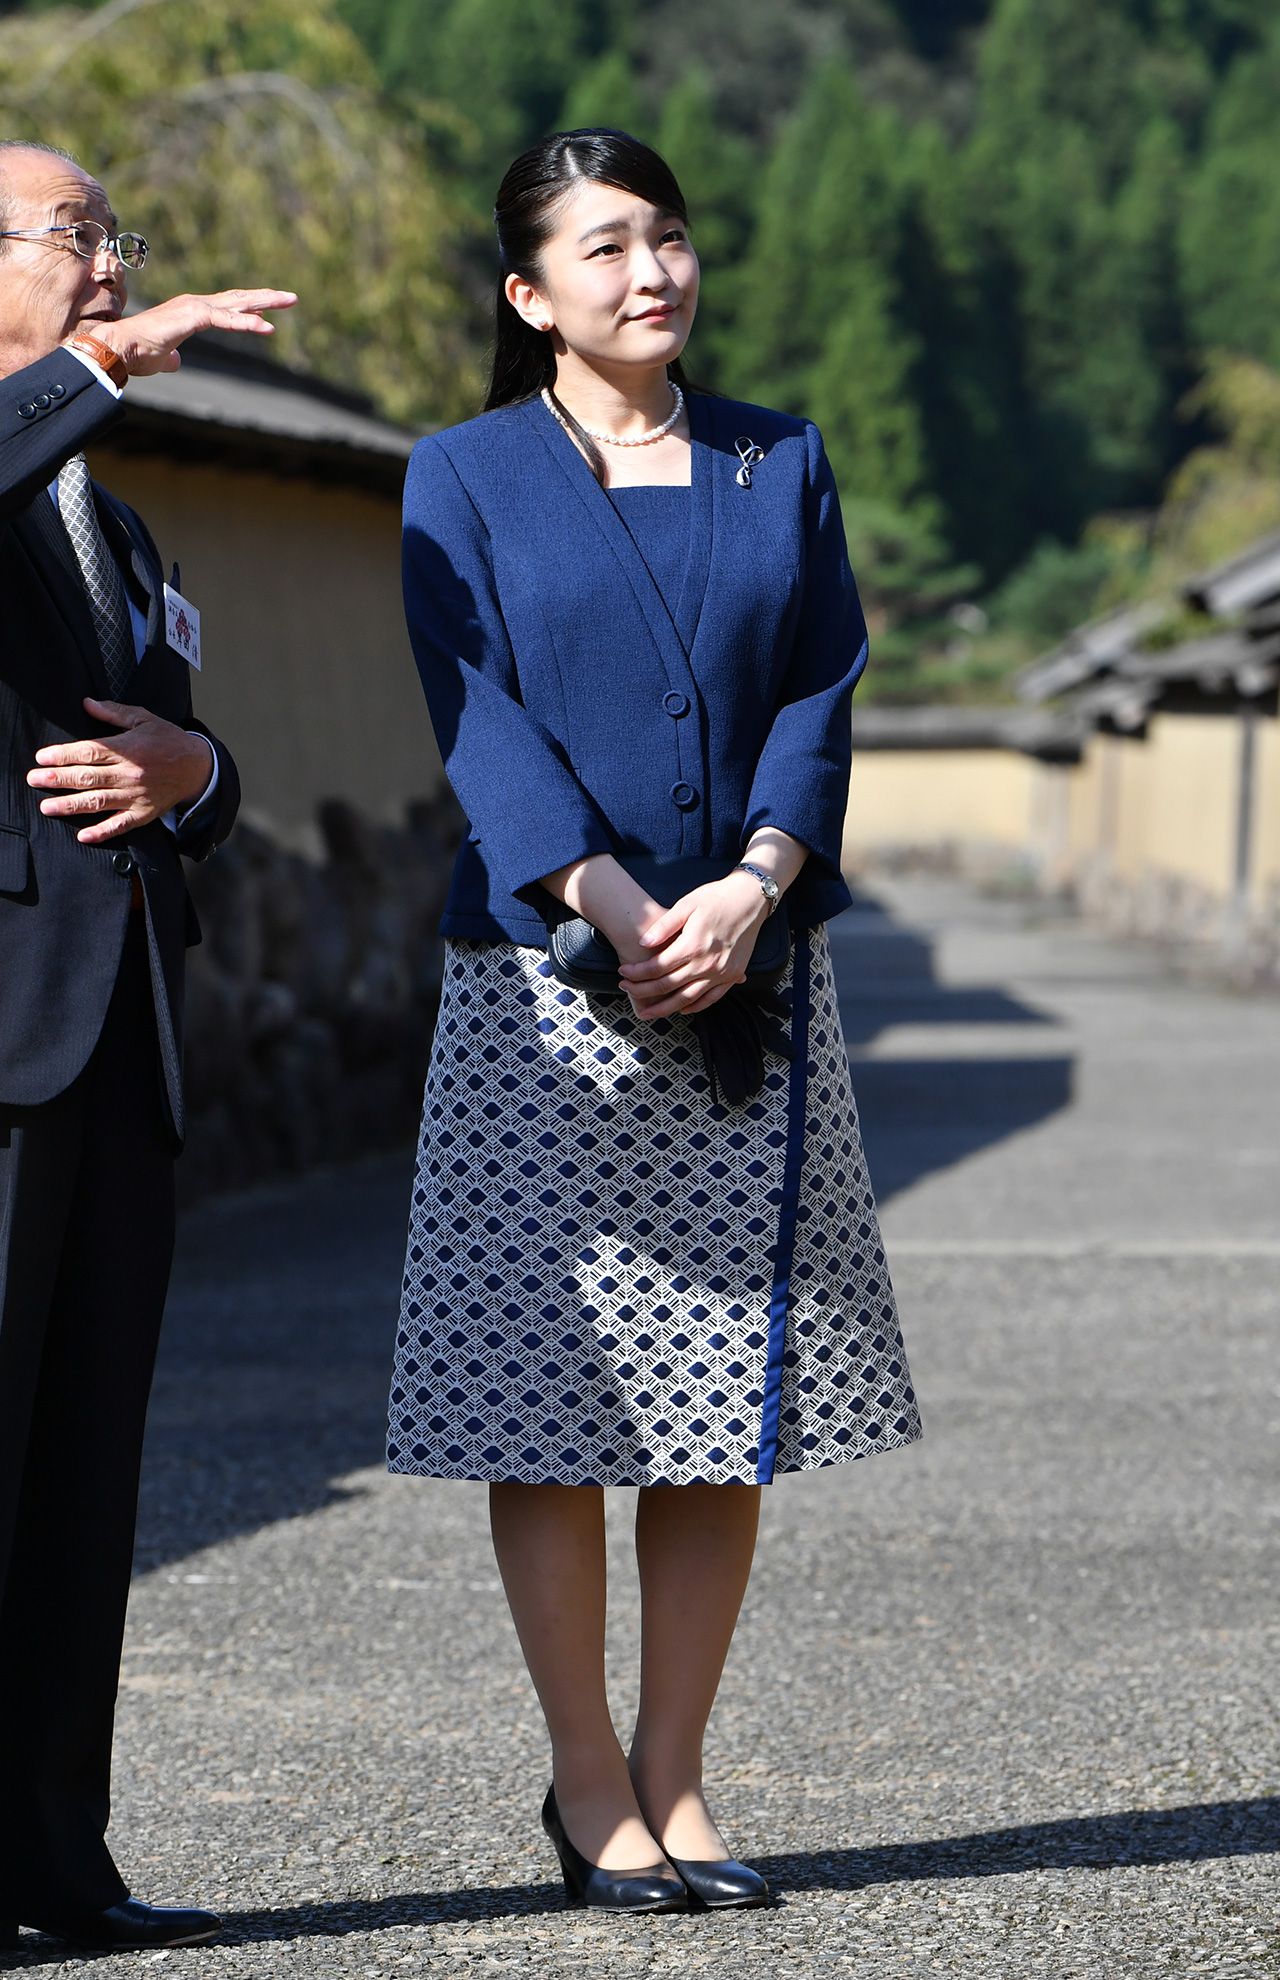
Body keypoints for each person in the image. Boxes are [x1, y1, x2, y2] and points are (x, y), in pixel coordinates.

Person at [387, 127, 922, 1914]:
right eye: (607, 247)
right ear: (530, 295)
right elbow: (478, 726)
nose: (654, 272)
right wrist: (615, 905)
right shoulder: (461, 475)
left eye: (672, 237)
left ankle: (683, 1778)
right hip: (547, 987)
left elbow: (822, 686)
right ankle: (588, 1782)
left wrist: (758, 886)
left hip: (747, 974)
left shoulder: (784, 459)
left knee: (723, 1396)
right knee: (555, 1401)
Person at [0, 140, 295, 1954]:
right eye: (77, 233)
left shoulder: (109, 512)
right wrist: (98, 364)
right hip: (5, 1044)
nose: (113, 263)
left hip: (123, 1036)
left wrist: (201, 785)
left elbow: (188, 752)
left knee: (81, 1468)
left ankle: (53, 1864)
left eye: (118, 236)